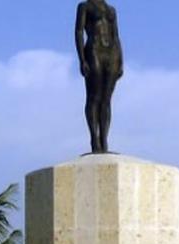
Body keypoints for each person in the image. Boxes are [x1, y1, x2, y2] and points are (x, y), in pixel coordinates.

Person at [75, 0, 124, 154]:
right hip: (94, 49)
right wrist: (82, 59)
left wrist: (121, 60)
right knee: (94, 96)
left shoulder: (111, 10)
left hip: (111, 52)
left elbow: (116, 35)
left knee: (106, 99)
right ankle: (94, 139)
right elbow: (78, 32)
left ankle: (104, 139)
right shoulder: (85, 6)